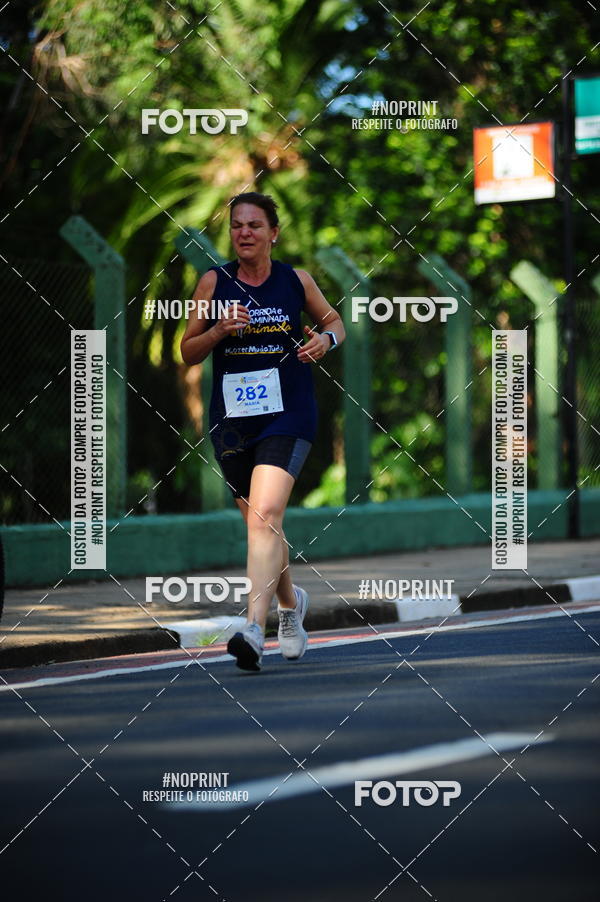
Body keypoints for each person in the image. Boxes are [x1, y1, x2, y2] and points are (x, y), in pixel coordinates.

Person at [181, 192, 345, 671]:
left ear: (274, 232)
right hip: (233, 420)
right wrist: (218, 332)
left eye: (255, 225)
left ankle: (253, 627)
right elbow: (189, 351)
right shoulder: (214, 282)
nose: (245, 233)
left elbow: (334, 321)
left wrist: (325, 340)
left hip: (288, 412)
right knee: (262, 524)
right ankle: (292, 607)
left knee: (265, 514)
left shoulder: (296, 280)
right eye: (237, 226)